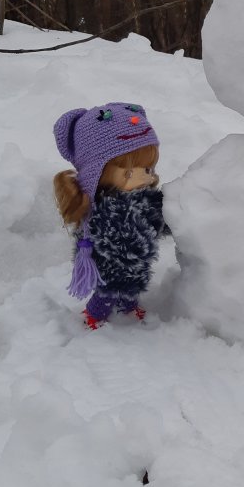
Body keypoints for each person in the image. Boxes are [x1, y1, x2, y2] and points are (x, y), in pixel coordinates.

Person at [53, 102, 167, 329]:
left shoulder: (144, 198)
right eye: (130, 172)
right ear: (99, 173)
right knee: (107, 293)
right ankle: (95, 315)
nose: (146, 178)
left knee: (130, 290)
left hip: (136, 266)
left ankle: (128, 307)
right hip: (109, 267)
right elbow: (106, 237)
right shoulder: (104, 211)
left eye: (149, 169)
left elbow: (159, 219)